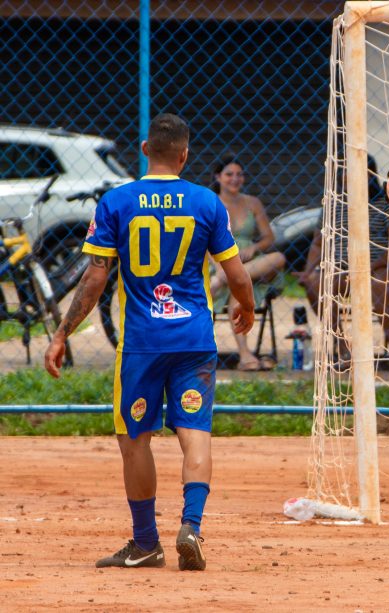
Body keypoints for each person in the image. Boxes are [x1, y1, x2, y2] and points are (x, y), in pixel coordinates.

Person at [44, 113, 255, 571]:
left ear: (144, 150)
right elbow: (236, 273)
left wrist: (62, 333)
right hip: (194, 339)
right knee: (195, 431)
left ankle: (145, 543)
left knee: (135, 438)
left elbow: (95, 279)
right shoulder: (206, 202)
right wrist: (248, 307)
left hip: (142, 343)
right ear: (184, 155)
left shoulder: (117, 201)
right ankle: (192, 527)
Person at [299, 156, 389, 372]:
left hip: (381, 267)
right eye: (343, 170)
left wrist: (373, 265)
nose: (346, 175)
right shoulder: (333, 204)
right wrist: (307, 271)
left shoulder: (383, 203)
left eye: (352, 170)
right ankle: (343, 348)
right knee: (316, 284)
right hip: (343, 269)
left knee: (380, 286)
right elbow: (317, 243)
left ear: (370, 175)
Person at [210, 155, 286, 371]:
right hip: (219, 260)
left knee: (278, 258)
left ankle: (224, 278)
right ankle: (245, 355)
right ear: (218, 177)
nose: (235, 179)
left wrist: (253, 248)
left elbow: (269, 238)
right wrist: (219, 265)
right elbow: (204, 240)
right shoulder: (211, 202)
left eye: (239, 174)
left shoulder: (252, 202)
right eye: (229, 174)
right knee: (239, 287)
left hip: (249, 263)